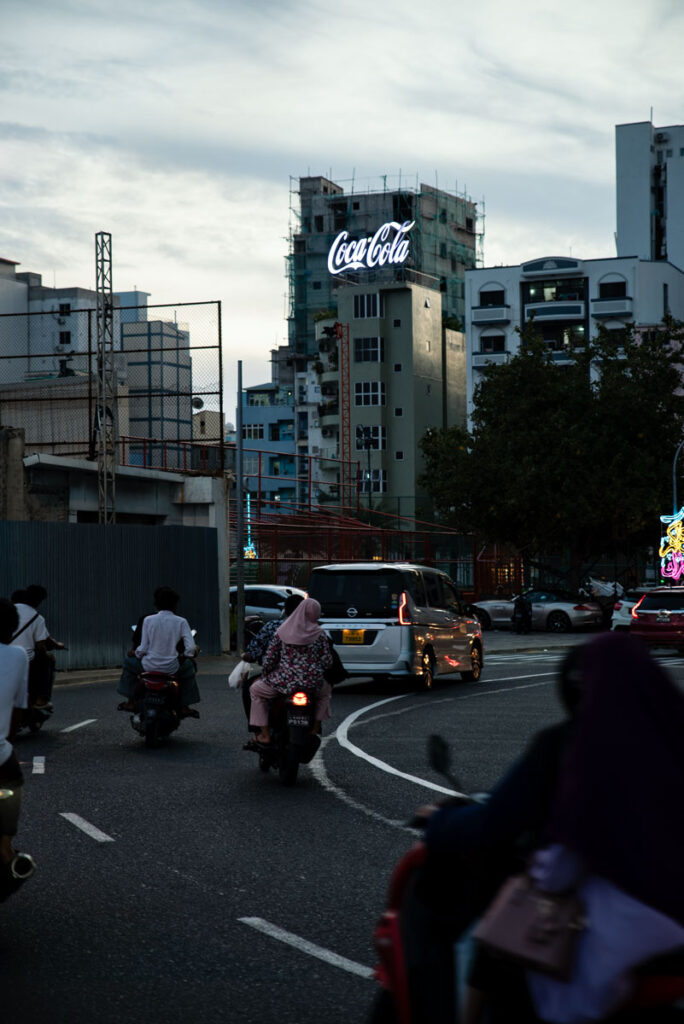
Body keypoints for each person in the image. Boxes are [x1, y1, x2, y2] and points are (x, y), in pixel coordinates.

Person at [399, 644, 585, 1023]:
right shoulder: (663, 738)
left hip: (580, 906)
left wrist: (440, 824)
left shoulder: (566, 745)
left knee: (483, 943)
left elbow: (498, 819)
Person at [248, 597, 333, 745]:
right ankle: (315, 727)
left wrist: (266, 673)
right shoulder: (320, 634)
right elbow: (327, 661)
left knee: (255, 690)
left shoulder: (282, 631)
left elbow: (270, 658)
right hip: (312, 683)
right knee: (325, 693)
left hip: (284, 682)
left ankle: (265, 734)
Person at [117, 586, 199, 716]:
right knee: (189, 669)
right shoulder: (182, 622)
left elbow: (142, 648)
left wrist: (136, 653)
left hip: (148, 666)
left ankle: (130, 701)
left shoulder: (148, 620)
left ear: (156, 604)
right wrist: (186, 656)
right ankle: (184, 706)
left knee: (128, 663)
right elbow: (190, 649)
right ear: (175, 605)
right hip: (172, 668)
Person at [239, 592, 305, 743]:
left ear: (286, 610)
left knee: (252, 688)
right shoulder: (315, 630)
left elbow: (265, 657)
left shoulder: (276, 628)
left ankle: (260, 731)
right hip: (309, 680)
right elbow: (326, 659)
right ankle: (315, 728)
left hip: (279, 678)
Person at [0, 598, 29, 870]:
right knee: (12, 782)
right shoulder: (18, 656)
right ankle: (5, 846)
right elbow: (18, 709)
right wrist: (8, 743)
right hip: (0, 755)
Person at [11, 585, 64, 709]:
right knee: (48, 659)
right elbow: (41, 645)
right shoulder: (37, 617)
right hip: (26, 659)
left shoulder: (9, 610)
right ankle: (42, 699)